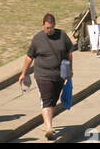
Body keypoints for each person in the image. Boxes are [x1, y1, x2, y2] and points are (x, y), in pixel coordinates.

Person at [18, 12, 75, 140]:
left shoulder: (62, 36)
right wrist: (23, 73)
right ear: (43, 25)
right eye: (46, 28)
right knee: (46, 100)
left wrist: (70, 69)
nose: (49, 30)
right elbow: (29, 57)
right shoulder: (38, 38)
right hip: (42, 75)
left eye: (51, 27)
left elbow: (69, 54)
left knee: (53, 100)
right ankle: (49, 127)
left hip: (59, 75)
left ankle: (47, 124)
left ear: (54, 25)